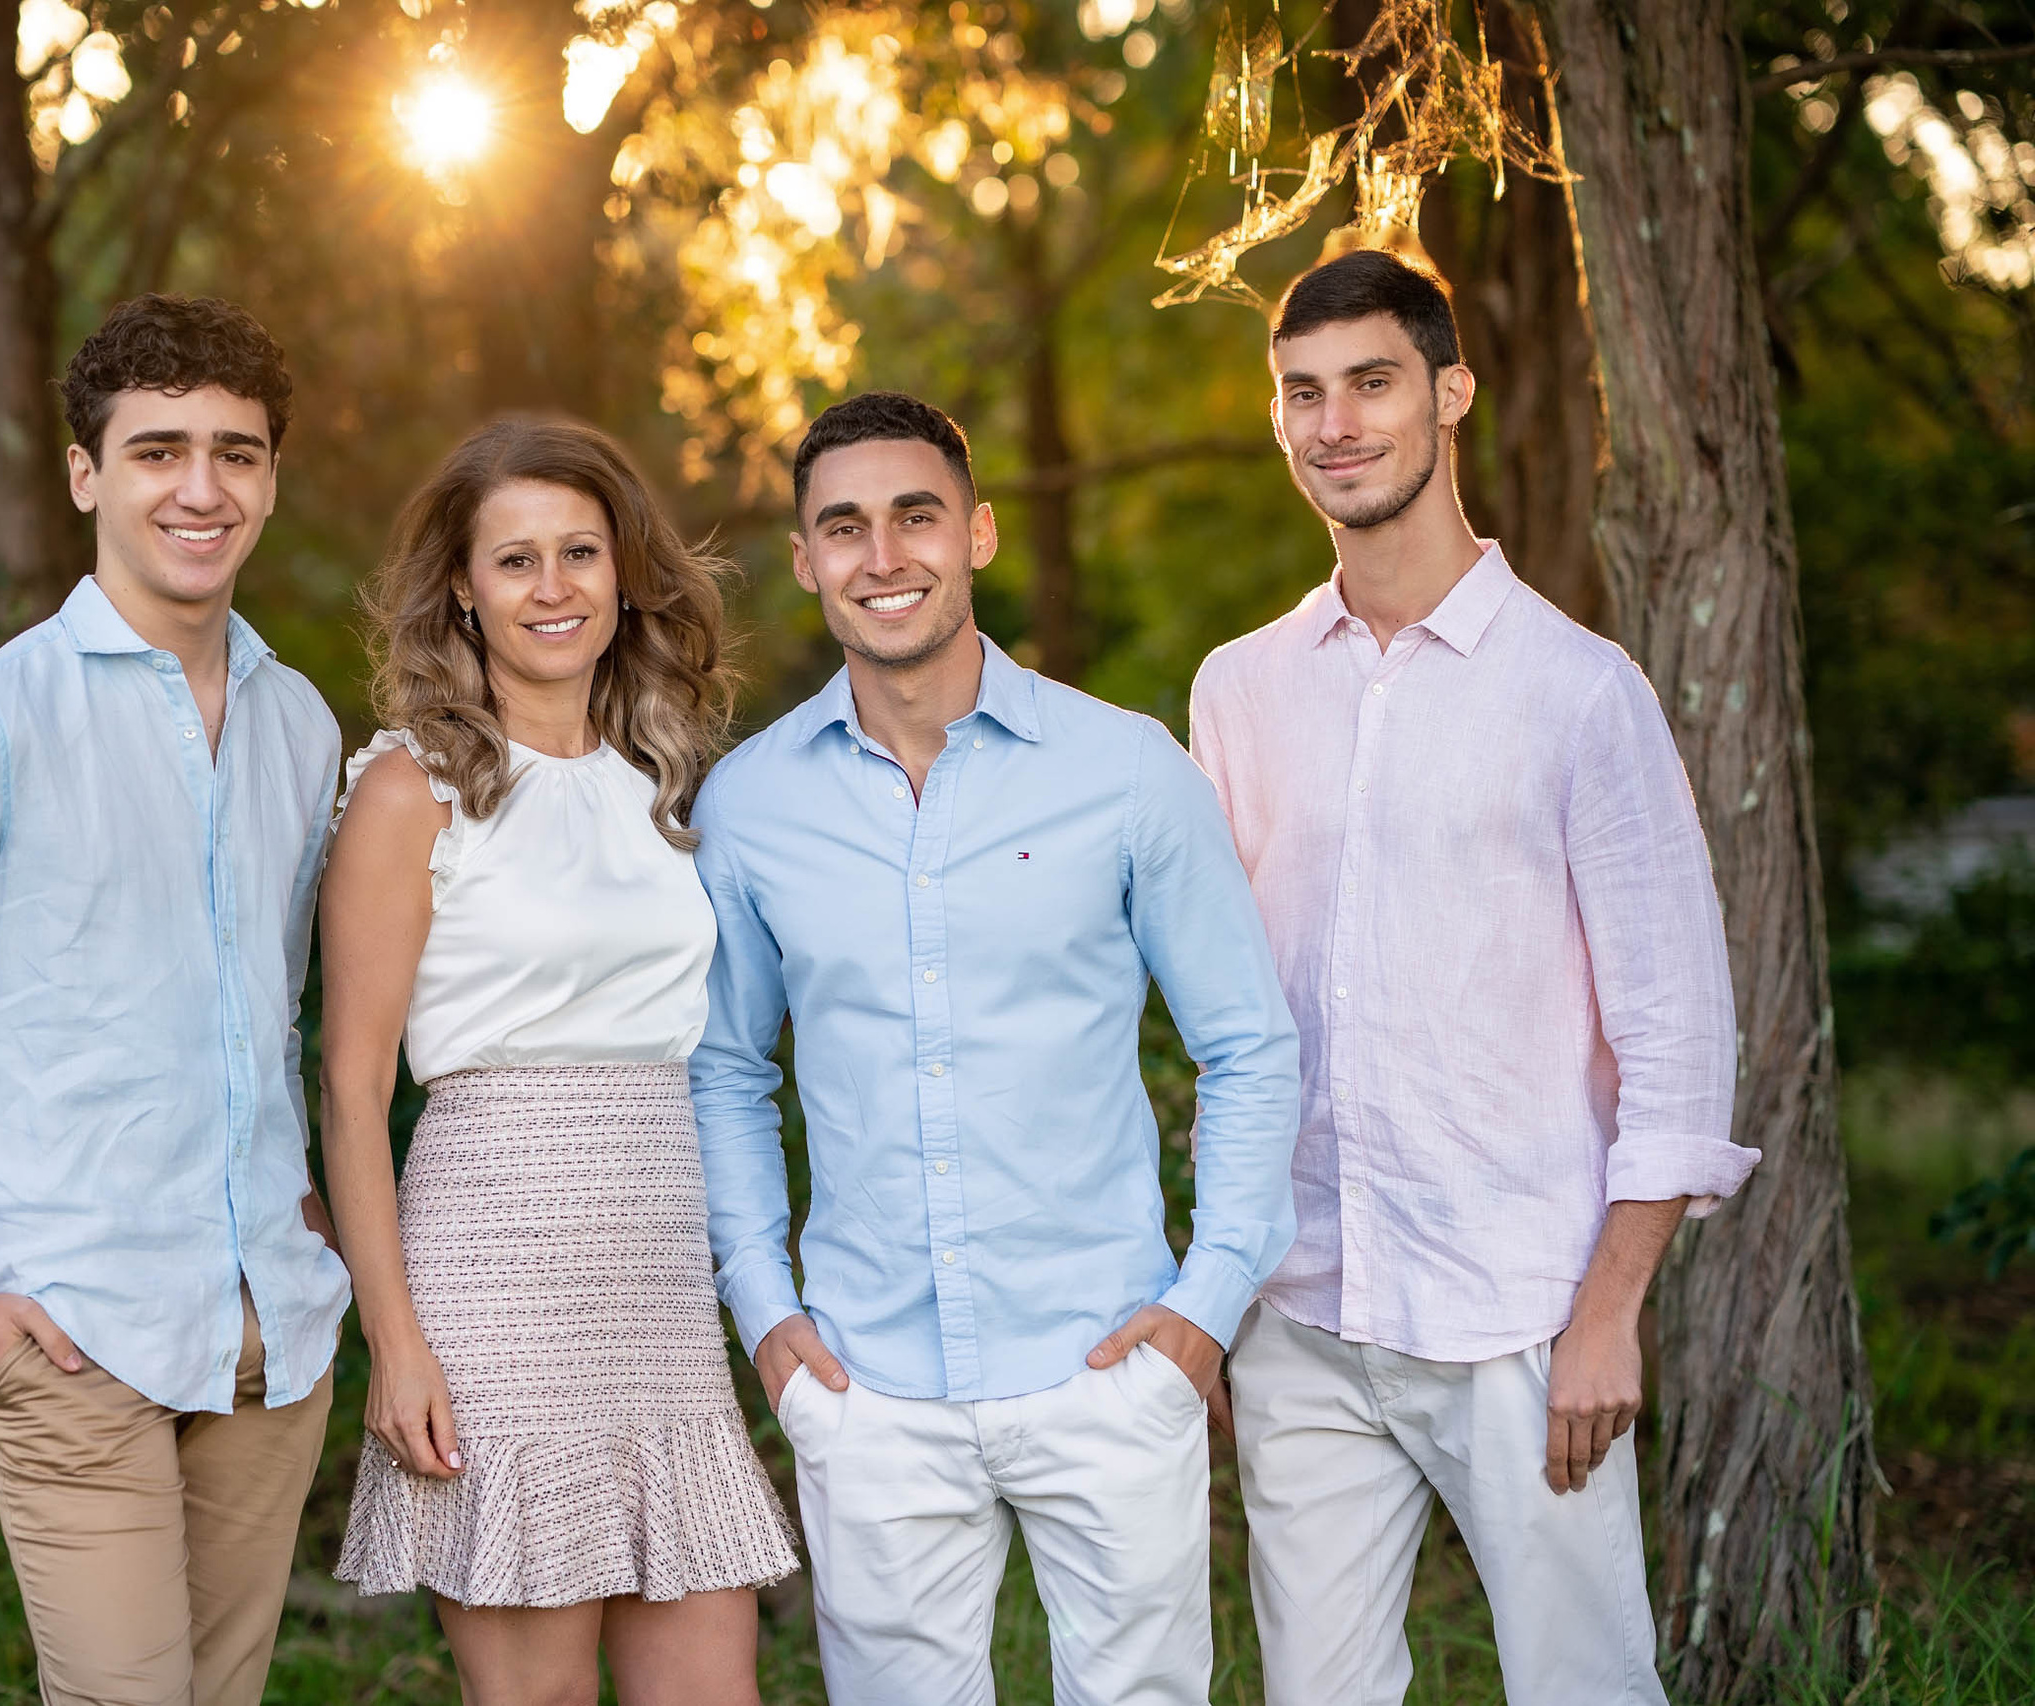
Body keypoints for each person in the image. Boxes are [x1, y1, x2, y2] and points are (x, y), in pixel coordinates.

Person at [1188, 247, 1762, 1706]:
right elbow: (1229, 1020)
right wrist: (1222, 1288)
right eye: (1303, 392)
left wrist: (1608, 1311)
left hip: (1521, 1310)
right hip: (1302, 1314)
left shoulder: (1579, 690)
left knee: (1585, 1687)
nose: (1336, 424)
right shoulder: (1239, 688)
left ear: (1449, 392)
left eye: (1372, 382)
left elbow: (1677, 1040)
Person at [690, 390, 1303, 1705]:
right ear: (803, 559)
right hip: (864, 1382)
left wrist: (1207, 1304)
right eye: (843, 526)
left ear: (978, 533)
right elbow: (727, 1068)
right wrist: (764, 1307)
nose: (883, 555)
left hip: (1108, 1362)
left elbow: (1248, 1045)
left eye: (917, 515)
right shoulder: (750, 803)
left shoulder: (1125, 770)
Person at [0, 294, 350, 1706]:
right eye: (159, 451)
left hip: (269, 1332)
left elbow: (271, 1007)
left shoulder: (300, 724)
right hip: (69, 1328)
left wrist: (305, 1214)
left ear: (273, 477)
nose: (201, 488)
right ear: (86, 473)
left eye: (235, 452)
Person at [323, 417, 797, 1704]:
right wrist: (393, 1340)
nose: (552, 586)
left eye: (579, 551)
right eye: (514, 558)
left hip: (657, 1287)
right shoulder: (411, 788)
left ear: (624, 571)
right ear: (462, 589)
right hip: (495, 1286)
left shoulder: (669, 777)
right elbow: (353, 1091)